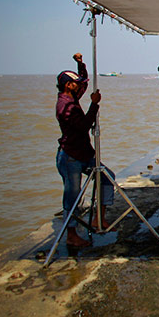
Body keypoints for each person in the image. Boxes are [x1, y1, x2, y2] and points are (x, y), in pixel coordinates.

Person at [56, 53, 115, 247]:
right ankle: (71, 235)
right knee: (72, 196)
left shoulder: (72, 97)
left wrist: (80, 65)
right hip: (70, 156)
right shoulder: (64, 105)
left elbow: (84, 82)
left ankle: (99, 218)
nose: (79, 86)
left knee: (107, 177)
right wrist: (94, 104)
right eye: (75, 84)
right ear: (67, 85)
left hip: (84, 153)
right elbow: (83, 125)